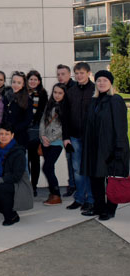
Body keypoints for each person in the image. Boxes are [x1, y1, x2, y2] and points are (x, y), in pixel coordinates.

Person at [81, 70, 129, 221]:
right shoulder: (95, 100)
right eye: (99, 80)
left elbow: (121, 127)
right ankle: (99, 206)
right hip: (95, 148)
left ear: (110, 83)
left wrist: (119, 149)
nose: (101, 83)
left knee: (112, 180)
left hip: (111, 148)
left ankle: (110, 209)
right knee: (96, 179)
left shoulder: (115, 100)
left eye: (105, 80)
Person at [63, 62, 95, 213]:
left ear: (88, 73)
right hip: (74, 137)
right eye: (77, 73)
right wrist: (66, 137)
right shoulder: (71, 92)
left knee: (89, 168)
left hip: (91, 138)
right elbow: (65, 116)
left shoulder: (95, 90)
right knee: (77, 169)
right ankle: (79, 198)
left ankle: (90, 199)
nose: (79, 75)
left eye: (82, 73)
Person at [39, 83, 68, 205]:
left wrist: (49, 139)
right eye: (55, 92)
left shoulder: (66, 107)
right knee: (50, 168)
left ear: (64, 94)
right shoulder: (49, 104)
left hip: (56, 142)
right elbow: (42, 121)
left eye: (60, 93)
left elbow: (63, 127)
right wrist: (42, 136)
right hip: (45, 140)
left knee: (47, 167)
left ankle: (56, 195)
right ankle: (53, 192)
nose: (57, 95)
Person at [26, 70, 48, 196]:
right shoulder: (23, 93)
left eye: (35, 79)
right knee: (25, 160)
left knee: (34, 160)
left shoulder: (43, 94)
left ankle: (34, 186)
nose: (33, 82)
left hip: (36, 130)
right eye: (30, 79)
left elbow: (43, 113)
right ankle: (27, 185)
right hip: (24, 131)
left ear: (39, 81)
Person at [56, 64, 76, 197]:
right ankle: (72, 185)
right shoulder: (59, 89)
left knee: (76, 161)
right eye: (58, 74)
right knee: (70, 159)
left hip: (75, 132)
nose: (60, 76)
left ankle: (77, 186)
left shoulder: (74, 89)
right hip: (64, 132)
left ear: (69, 74)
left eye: (63, 74)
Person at [3, 71, 33, 149]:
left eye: (19, 83)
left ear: (23, 84)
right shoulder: (6, 97)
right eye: (14, 82)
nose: (15, 85)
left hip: (20, 137)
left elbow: (28, 120)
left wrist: (13, 130)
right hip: (6, 137)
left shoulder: (27, 99)